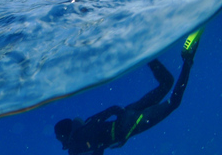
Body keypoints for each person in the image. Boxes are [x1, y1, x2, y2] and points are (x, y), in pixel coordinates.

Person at [55, 29, 203, 155]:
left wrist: (122, 135)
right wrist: (121, 118)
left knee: (173, 103)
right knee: (166, 83)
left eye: (59, 138)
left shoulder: (74, 148)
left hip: (127, 126)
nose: (60, 141)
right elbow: (111, 111)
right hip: (126, 115)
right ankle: (142, 51)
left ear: (64, 135)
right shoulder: (85, 124)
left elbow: (97, 146)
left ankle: (187, 59)